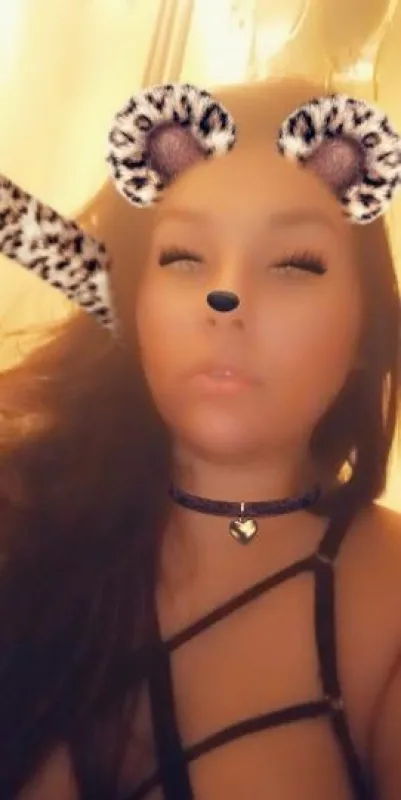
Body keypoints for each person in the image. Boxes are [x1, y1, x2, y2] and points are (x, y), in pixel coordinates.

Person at [0, 76, 400, 800]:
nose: (226, 300)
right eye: (183, 256)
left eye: (293, 263)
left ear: (364, 331)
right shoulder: (20, 504)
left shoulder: (387, 595)